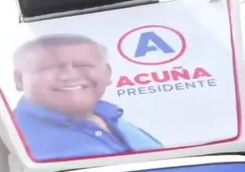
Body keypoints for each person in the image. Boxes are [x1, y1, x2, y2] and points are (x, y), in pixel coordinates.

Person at [12, 34, 161, 160]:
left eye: (83, 65)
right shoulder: (11, 138)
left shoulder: (117, 120)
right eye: (49, 68)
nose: (69, 75)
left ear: (107, 73)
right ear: (19, 80)